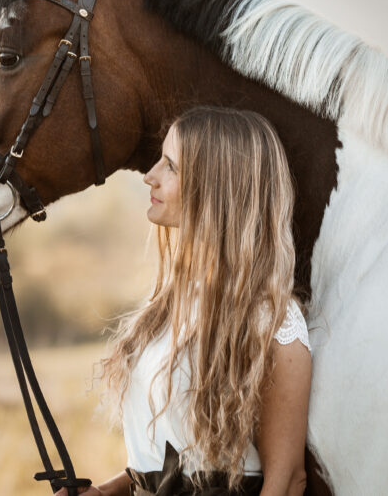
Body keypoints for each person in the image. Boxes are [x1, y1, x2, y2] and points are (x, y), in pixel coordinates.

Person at [58, 106, 312, 496]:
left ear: (215, 186)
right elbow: (170, 460)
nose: (150, 176)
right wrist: (104, 492)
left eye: (170, 166)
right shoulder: (168, 305)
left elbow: (287, 479)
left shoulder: (272, 319)